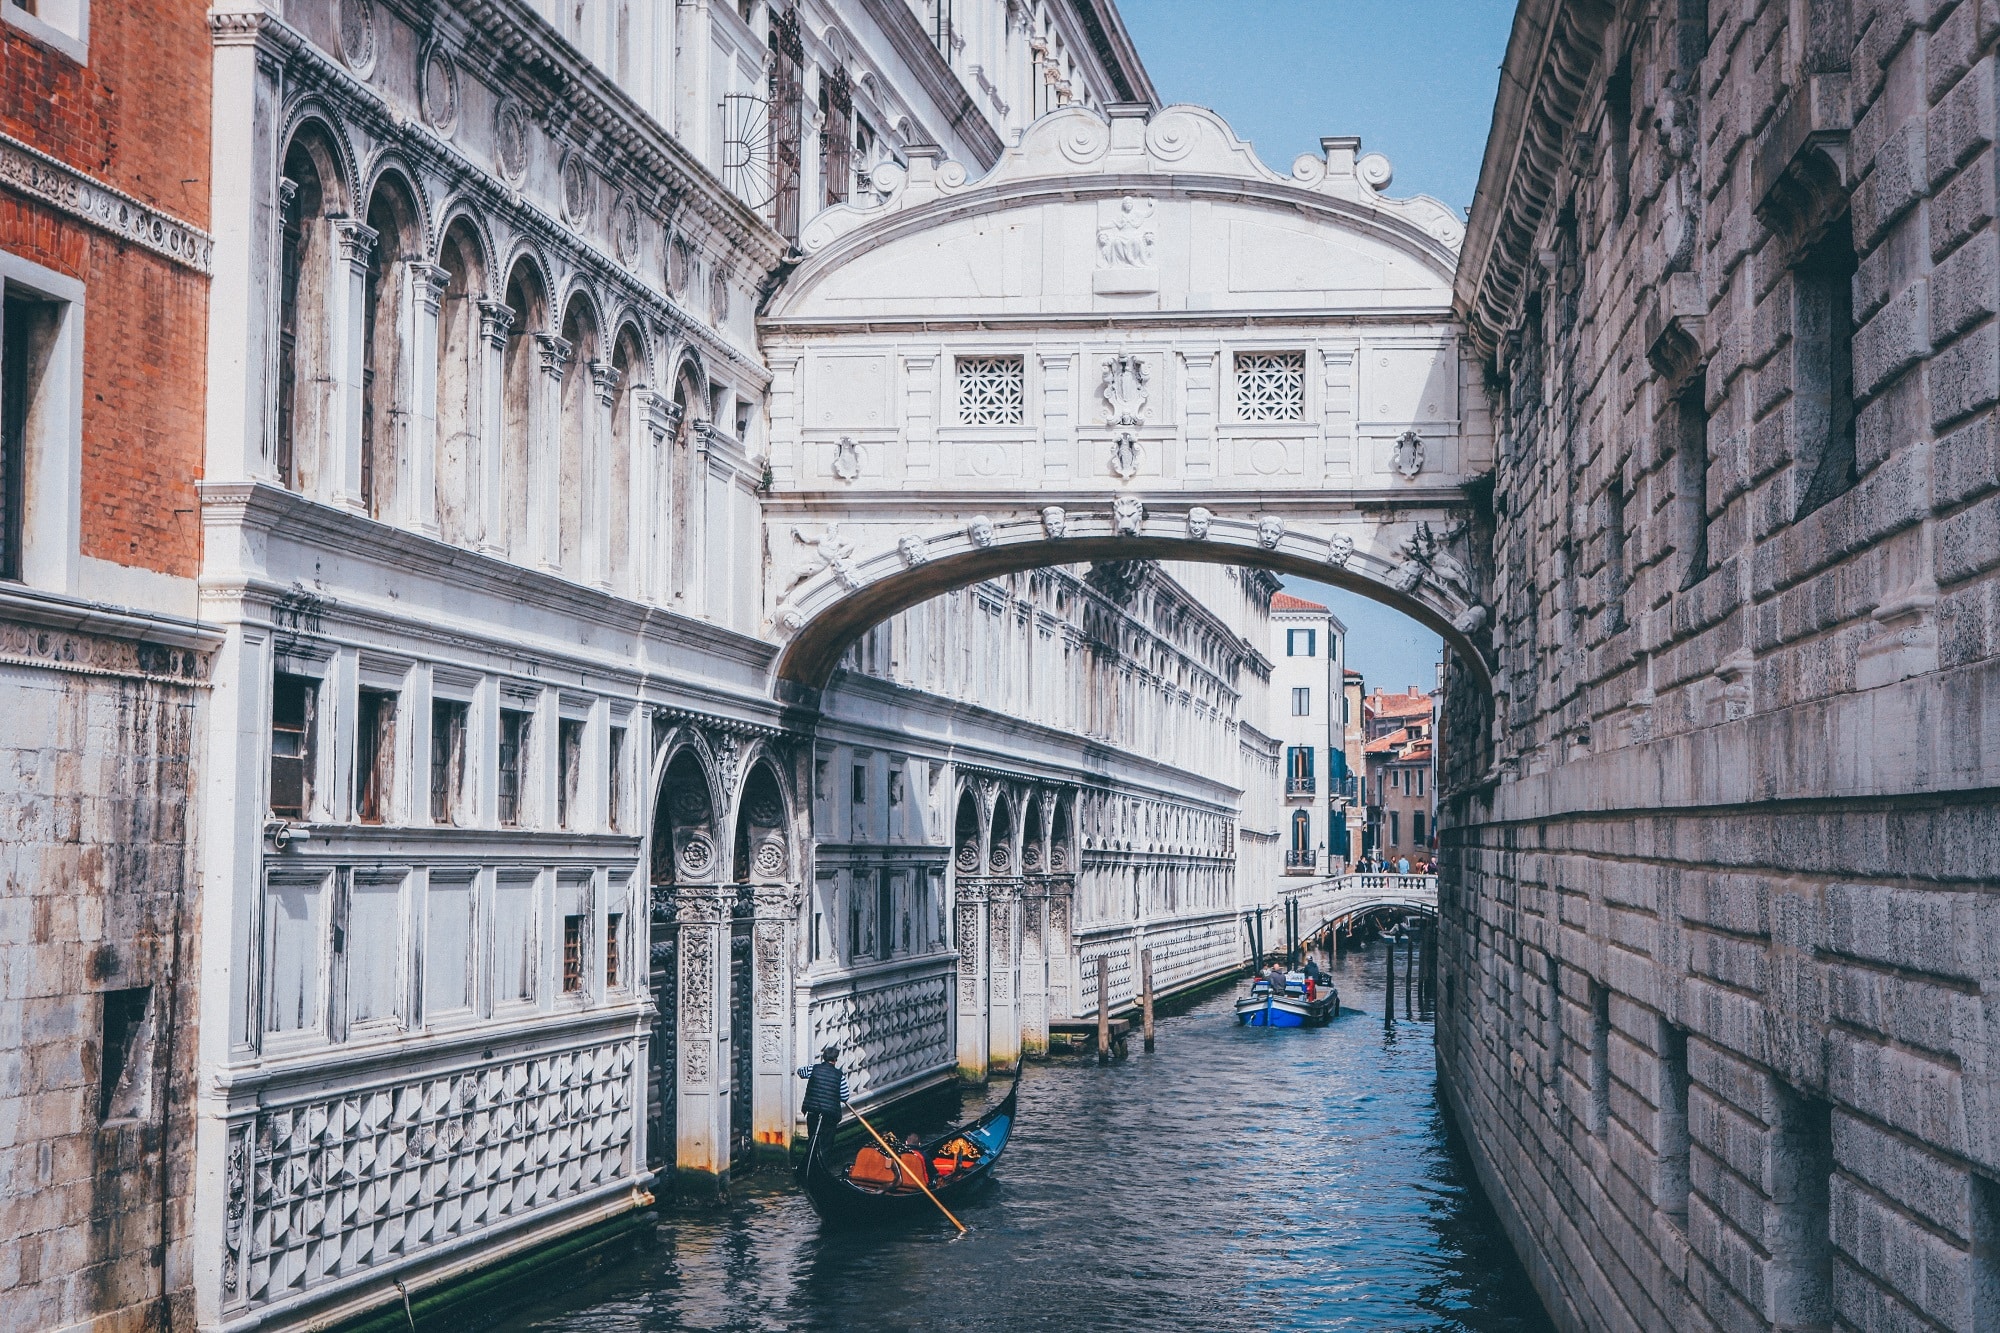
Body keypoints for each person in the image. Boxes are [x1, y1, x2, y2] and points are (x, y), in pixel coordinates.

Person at [796, 1044, 849, 1161]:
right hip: (830, 1114)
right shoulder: (839, 1076)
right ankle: (822, 1163)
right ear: (835, 1060)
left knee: (812, 1137)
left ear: (823, 1058)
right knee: (826, 1143)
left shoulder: (813, 1069)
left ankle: (810, 1162)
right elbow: (845, 1096)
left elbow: (800, 1072)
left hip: (813, 1110)